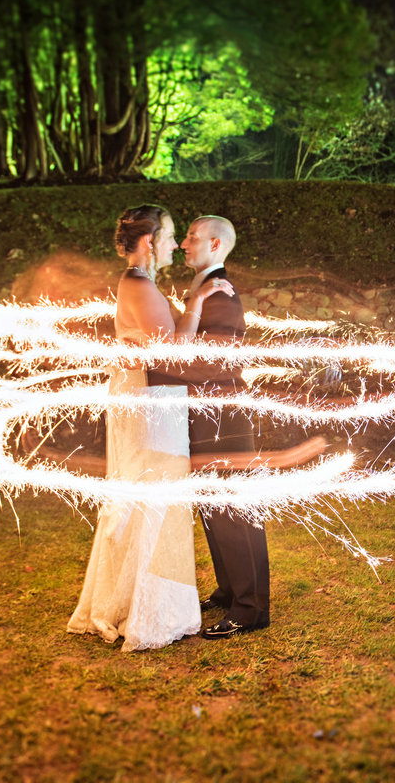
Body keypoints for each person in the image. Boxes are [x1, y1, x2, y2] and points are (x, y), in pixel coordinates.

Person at [67, 205, 233, 651]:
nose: (175, 243)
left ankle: (145, 599)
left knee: (152, 494)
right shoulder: (137, 285)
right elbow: (171, 354)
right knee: (157, 494)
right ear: (149, 242)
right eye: (171, 235)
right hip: (151, 402)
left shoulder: (140, 284)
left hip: (149, 397)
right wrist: (197, 302)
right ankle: (151, 609)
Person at [177, 216, 271, 640]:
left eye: (191, 238)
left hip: (222, 415)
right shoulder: (204, 291)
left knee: (234, 511)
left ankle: (250, 609)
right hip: (207, 412)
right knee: (213, 507)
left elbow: (213, 362)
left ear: (215, 245)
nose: (182, 243)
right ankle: (230, 590)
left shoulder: (220, 297)